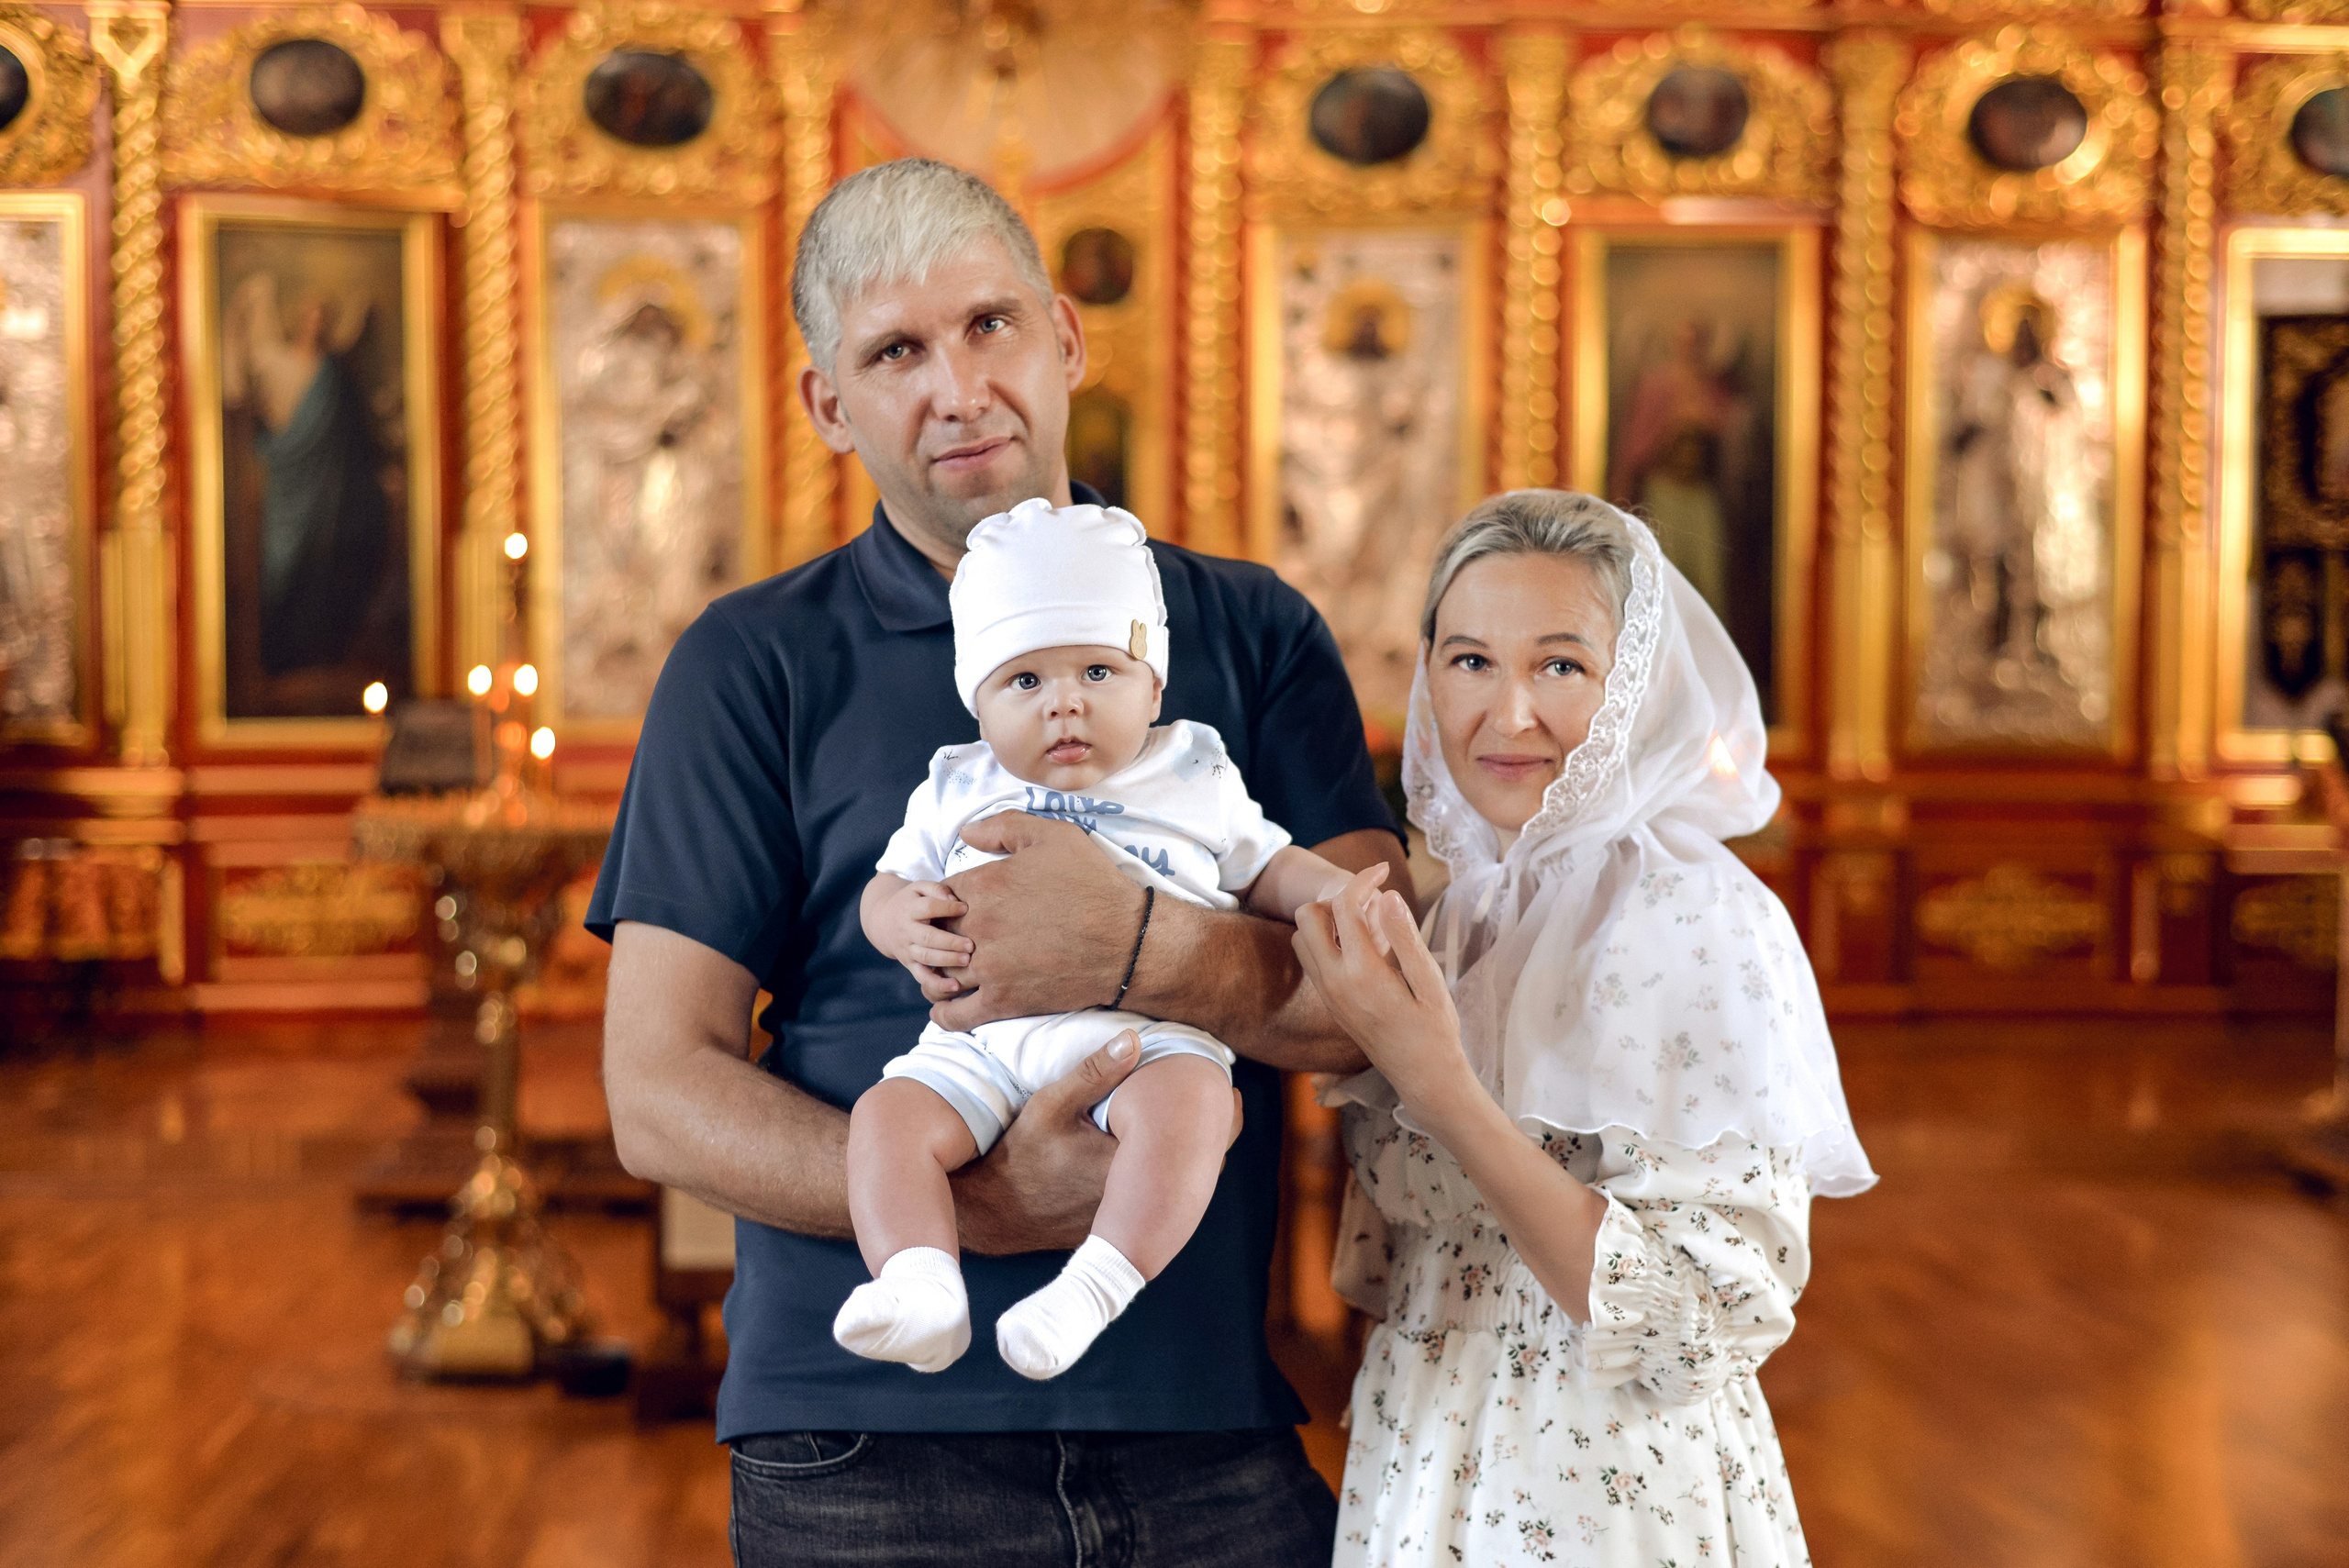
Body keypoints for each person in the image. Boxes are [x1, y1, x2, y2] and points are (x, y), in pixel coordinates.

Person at [590, 157, 1410, 1566]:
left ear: (1067, 336)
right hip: (858, 1440)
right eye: (896, 352)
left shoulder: (1253, 628)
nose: (958, 387)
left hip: (1201, 1421)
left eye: (991, 326)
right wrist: (981, 1203)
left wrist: (1139, 945)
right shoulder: (750, 664)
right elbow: (658, 1093)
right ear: (829, 406)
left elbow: (1369, 1005)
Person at [1289, 489, 1876, 1566]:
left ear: (1635, 689)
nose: (1507, 715)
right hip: (1422, 1456)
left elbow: (1692, 1329)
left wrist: (1441, 1083)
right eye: (1468, 661)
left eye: (1561, 665)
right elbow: (1410, 1264)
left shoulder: (1700, 916)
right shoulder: (1454, 910)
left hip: (1602, 1487)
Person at [842, 498, 1366, 1383]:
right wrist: (896, 920)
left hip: (1144, 1041)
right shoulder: (954, 786)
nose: (1065, 706)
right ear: (976, 701)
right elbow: (885, 889)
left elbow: (1268, 866)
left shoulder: (1190, 770)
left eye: (1097, 670)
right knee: (886, 1119)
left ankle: (1095, 1284)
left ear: (1153, 686)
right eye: (1026, 682)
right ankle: (921, 1281)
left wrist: (1341, 894)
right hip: (982, 1046)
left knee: (1193, 1105)